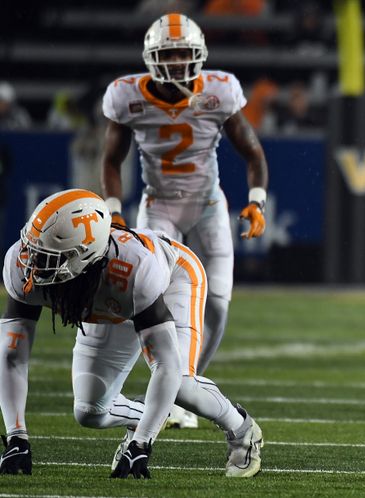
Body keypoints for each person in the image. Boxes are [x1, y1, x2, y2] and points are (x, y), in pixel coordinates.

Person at [0, 189, 262, 478]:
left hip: (172, 278)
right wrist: (16, 436)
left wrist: (142, 445)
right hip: (103, 298)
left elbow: (166, 366)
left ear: (84, 258)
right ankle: (144, 416)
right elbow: (12, 355)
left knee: (182, 384)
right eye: (33, 250)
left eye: (48, 258)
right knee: (90, 411)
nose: (32, 265)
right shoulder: (21, 265)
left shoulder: (134, 272)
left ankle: (242, 430)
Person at [100, 13, 269, 428]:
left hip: (208, 206)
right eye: (168, 53)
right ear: (151, 58)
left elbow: (253, 153)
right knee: (151, 300)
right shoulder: (127, 96)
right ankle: (168, 383)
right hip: (157, 207)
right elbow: (110, 159)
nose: (176, 62)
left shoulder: (219, 90)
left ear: (199, 56)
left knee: (217, 308)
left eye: (183, 53)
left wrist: (256, 202)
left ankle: (184, 384)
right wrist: (115, 210)